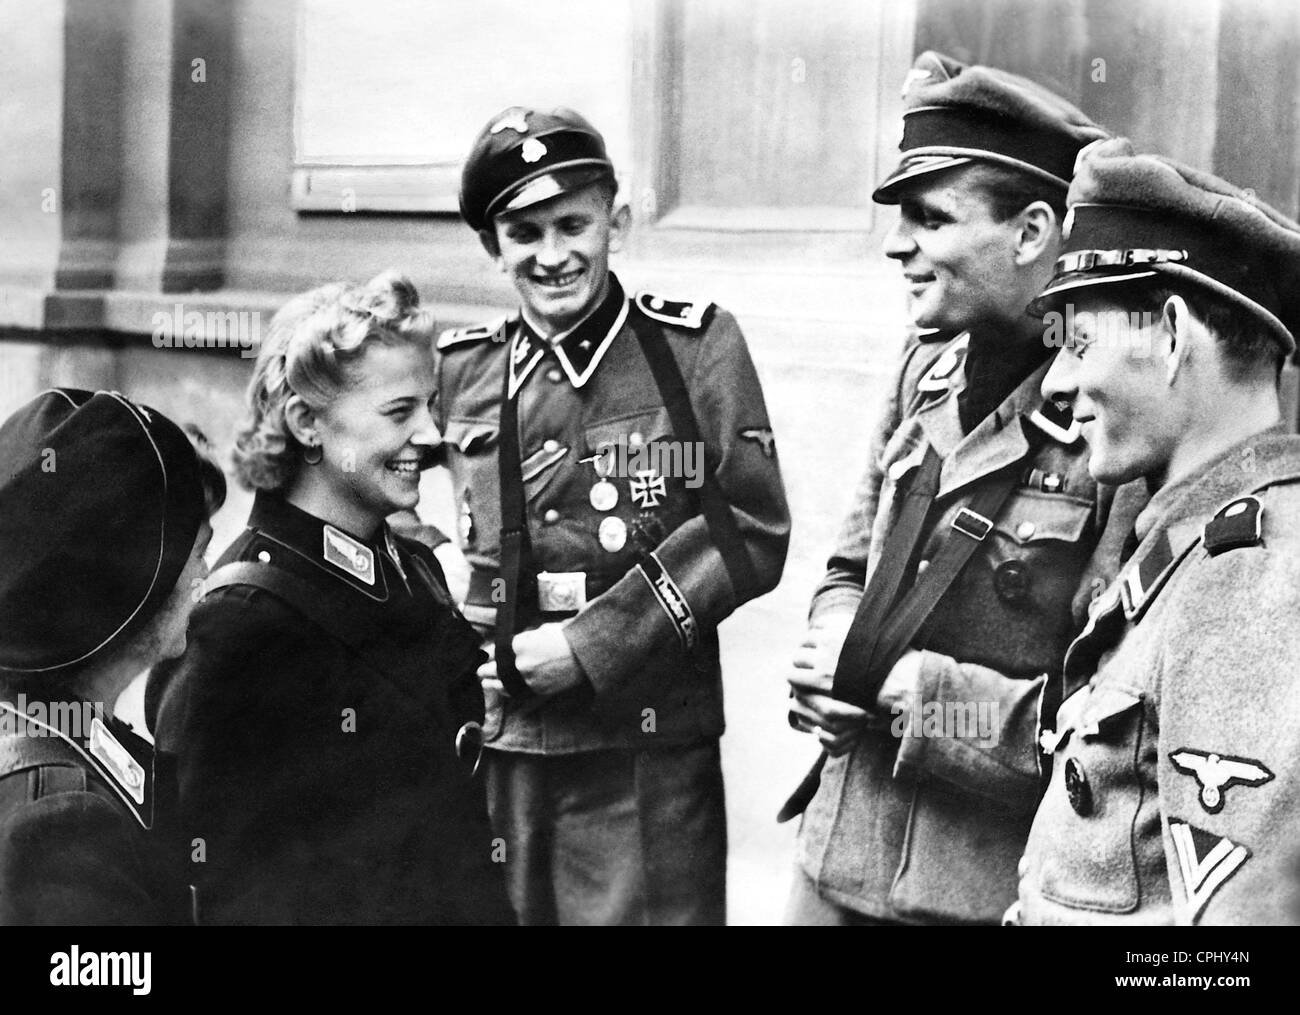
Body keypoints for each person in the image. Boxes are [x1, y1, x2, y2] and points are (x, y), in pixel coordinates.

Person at [782, 51, 1141, 925]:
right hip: (834, 857)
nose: (899, 243)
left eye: (930, 218)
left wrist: (905, 688)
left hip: (980, 890)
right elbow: (845, 565)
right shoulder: (921, 372)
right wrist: (828, 651)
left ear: (1030, 233)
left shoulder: (1116, 428)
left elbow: (1106, 729)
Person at [435, 106, 790, 924]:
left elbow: (752, 523)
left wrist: (593, 645)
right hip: (505, 738)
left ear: (615, 222)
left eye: (573, 224)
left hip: (645, 744)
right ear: (494, 249)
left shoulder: (693, 349)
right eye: (524, 233)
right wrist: (448, 650)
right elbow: (396, 506)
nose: (553, 255)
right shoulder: (463, 367)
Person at [146, 272, 515, 925]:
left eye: (430, 405)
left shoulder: (410, 569)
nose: (432, 434)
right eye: (400, 412)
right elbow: (223, 889)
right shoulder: (238, 625)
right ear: (306, 423)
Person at [1015, 137, 1300, 925]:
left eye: (1079, 342)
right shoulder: (1192, 540)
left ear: (1171, 335)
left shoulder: (1252, 578)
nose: (1059, 381)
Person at [0, 388, 222, 925]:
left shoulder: (63, 732)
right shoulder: (60, 821)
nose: (206, 575)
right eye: (197, 553)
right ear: (131, 587)